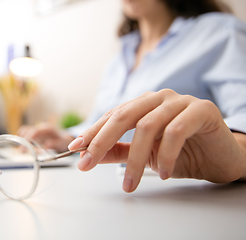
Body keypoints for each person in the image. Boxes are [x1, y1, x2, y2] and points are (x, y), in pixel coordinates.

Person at [20, 0, 246, 191]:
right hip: (102, 189)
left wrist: (237, 155)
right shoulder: (120, 57)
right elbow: (100, 121)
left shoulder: (219, 32)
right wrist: (68, 140)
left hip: (179, 192)